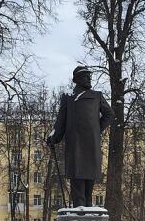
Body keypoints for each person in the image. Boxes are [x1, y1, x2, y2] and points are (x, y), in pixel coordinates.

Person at [47, 65, 114, 207]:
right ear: (77, 79)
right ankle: (80, 215)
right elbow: (61, 121)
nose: (89, 78)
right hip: (75, 146)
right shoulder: (69, 98)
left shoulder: (97, 96)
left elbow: (109, 114)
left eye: (90, 76)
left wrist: (96, 129)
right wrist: (54, 138)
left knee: (89, 187)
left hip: (91, 146)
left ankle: (87, 215)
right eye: (86, 76)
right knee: (78, 188)